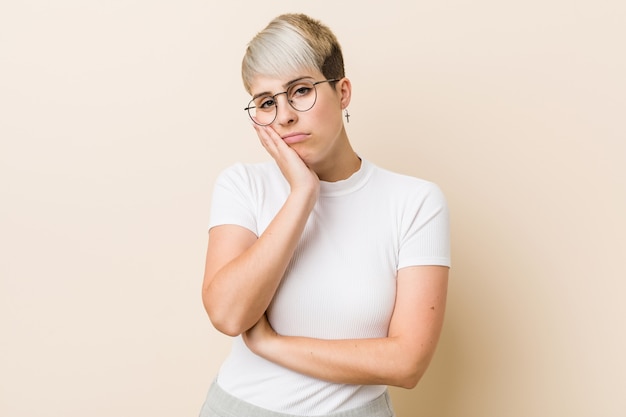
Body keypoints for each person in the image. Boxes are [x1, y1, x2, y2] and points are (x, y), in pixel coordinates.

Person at [199, 13, 450, 417]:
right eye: (266, 102)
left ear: (343, 91)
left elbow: (407, 363)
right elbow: (229, 314)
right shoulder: (242, 185)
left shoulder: (415, 202)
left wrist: (270, 344)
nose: (284, 116)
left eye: (300, 90)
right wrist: (302, 195)